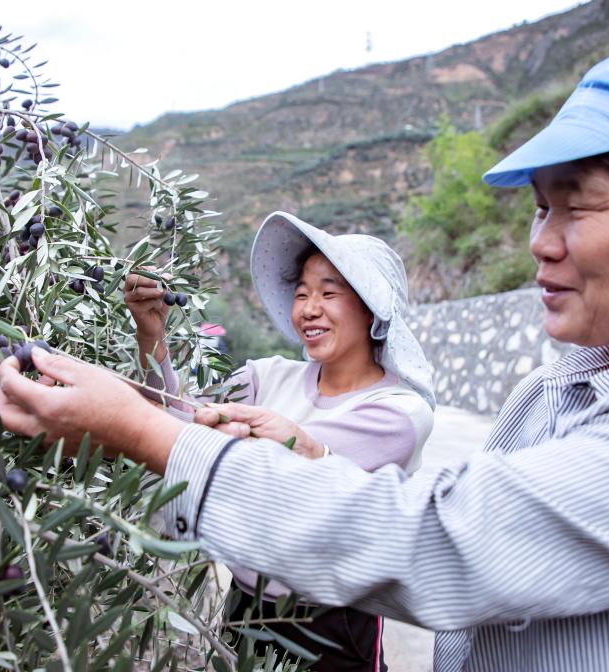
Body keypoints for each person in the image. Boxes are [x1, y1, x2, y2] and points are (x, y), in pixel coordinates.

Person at [0, 36, 609, 671]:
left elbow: (434, 540)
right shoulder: (562, 389)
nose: (540, 243)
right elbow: (186, 410)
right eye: (541, 208)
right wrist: (150, 360)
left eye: (580, 206)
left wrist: (139, 430)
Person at [121, 213, 436, 669]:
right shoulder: (265, 376)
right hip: (245, 607)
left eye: (329, 293)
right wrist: (151, 335)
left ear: (371, 309)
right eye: (302, 293)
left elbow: (257, 467)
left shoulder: (398, 413)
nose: (308, 307)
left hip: (331, 624)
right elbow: (178, 418)